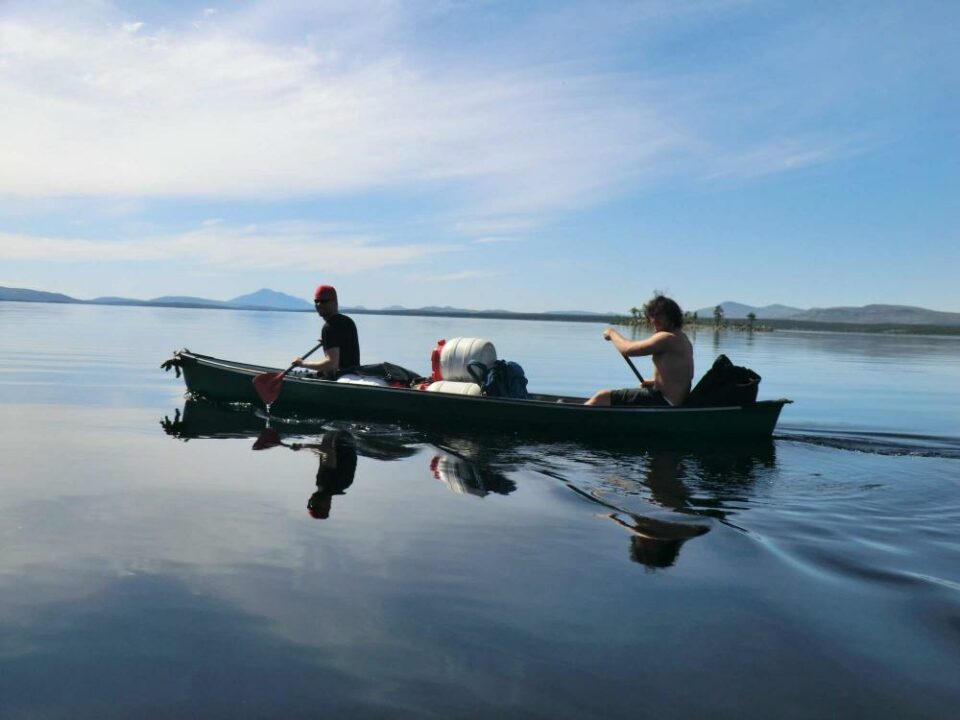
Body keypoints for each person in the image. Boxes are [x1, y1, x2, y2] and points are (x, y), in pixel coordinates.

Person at [585, 295, 693, 407]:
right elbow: (682, 376)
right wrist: (654, 382)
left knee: (602, 397)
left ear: (671, 317)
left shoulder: (666, 338)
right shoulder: (684, 340)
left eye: (659, 315)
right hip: (675, 403)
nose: (653, 320)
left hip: (663, 401)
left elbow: (627, 349)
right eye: (652, 316)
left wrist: (611, 333)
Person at [291, 284, 360, 379]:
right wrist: (327, 342)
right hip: (355, 374)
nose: (319, 304)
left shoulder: (329, 327)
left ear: (335, 303)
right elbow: (343, 346)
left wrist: (302, 363)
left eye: (324, 301)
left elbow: (331, 365)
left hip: (341, 378)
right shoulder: (348, 321)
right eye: (316, 301)